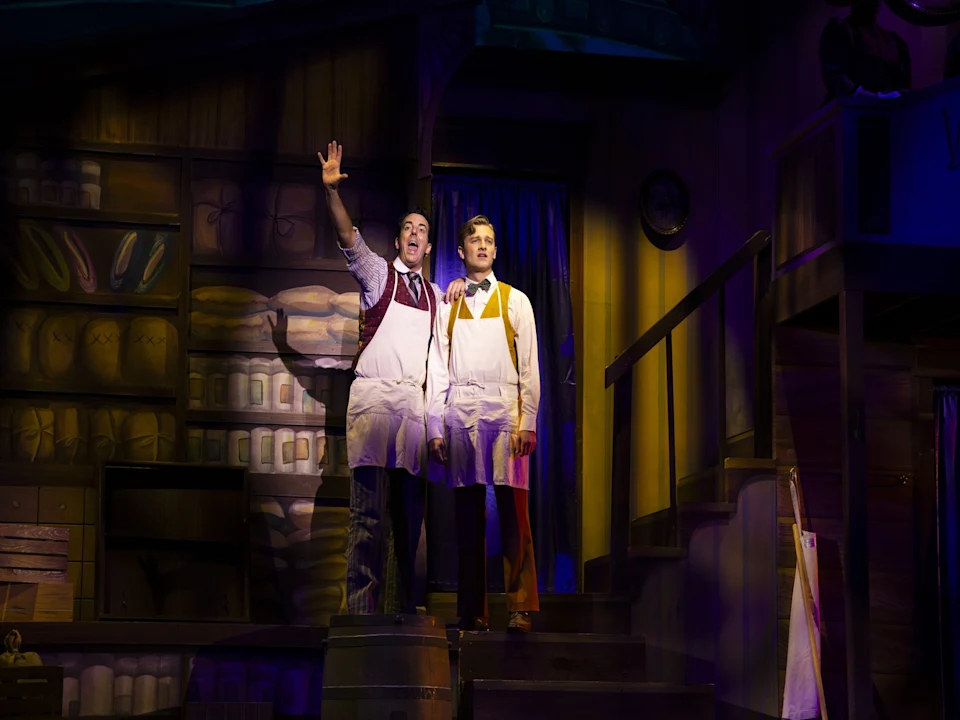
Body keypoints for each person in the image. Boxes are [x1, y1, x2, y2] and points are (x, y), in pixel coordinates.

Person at [283, 140, 464, 615]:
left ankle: (409, 616)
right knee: (367, 521)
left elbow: (458, 331)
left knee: (410, 526)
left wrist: (462, 284)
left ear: (429, 245)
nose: (413, 234)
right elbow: (348, 238)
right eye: (407, 227)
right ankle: (361, 620)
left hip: (411, 415)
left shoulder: (437, 297)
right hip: (372, 406)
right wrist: (330, 194)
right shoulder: (379, 275)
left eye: (421, 230)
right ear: (400, 240)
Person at [425, 215, 540, 633]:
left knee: (514, 513)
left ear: (496, 250)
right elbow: (437, 366)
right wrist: (435, 425)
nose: (483, 246)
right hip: (461, 411)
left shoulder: (515, 300)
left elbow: (530, 366)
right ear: (461, 251)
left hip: (504, 411)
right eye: (475, 240)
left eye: (489, 240)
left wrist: (529, 421)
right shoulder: (448, 304)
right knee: (468, 516)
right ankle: (472, 611)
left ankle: (521, 606)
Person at [818, 0, 911, 105]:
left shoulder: (895, 42)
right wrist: (873, 98)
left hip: (890, 114)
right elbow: (836, 77)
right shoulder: (840, 30)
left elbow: (904, 88)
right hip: (849, 112)